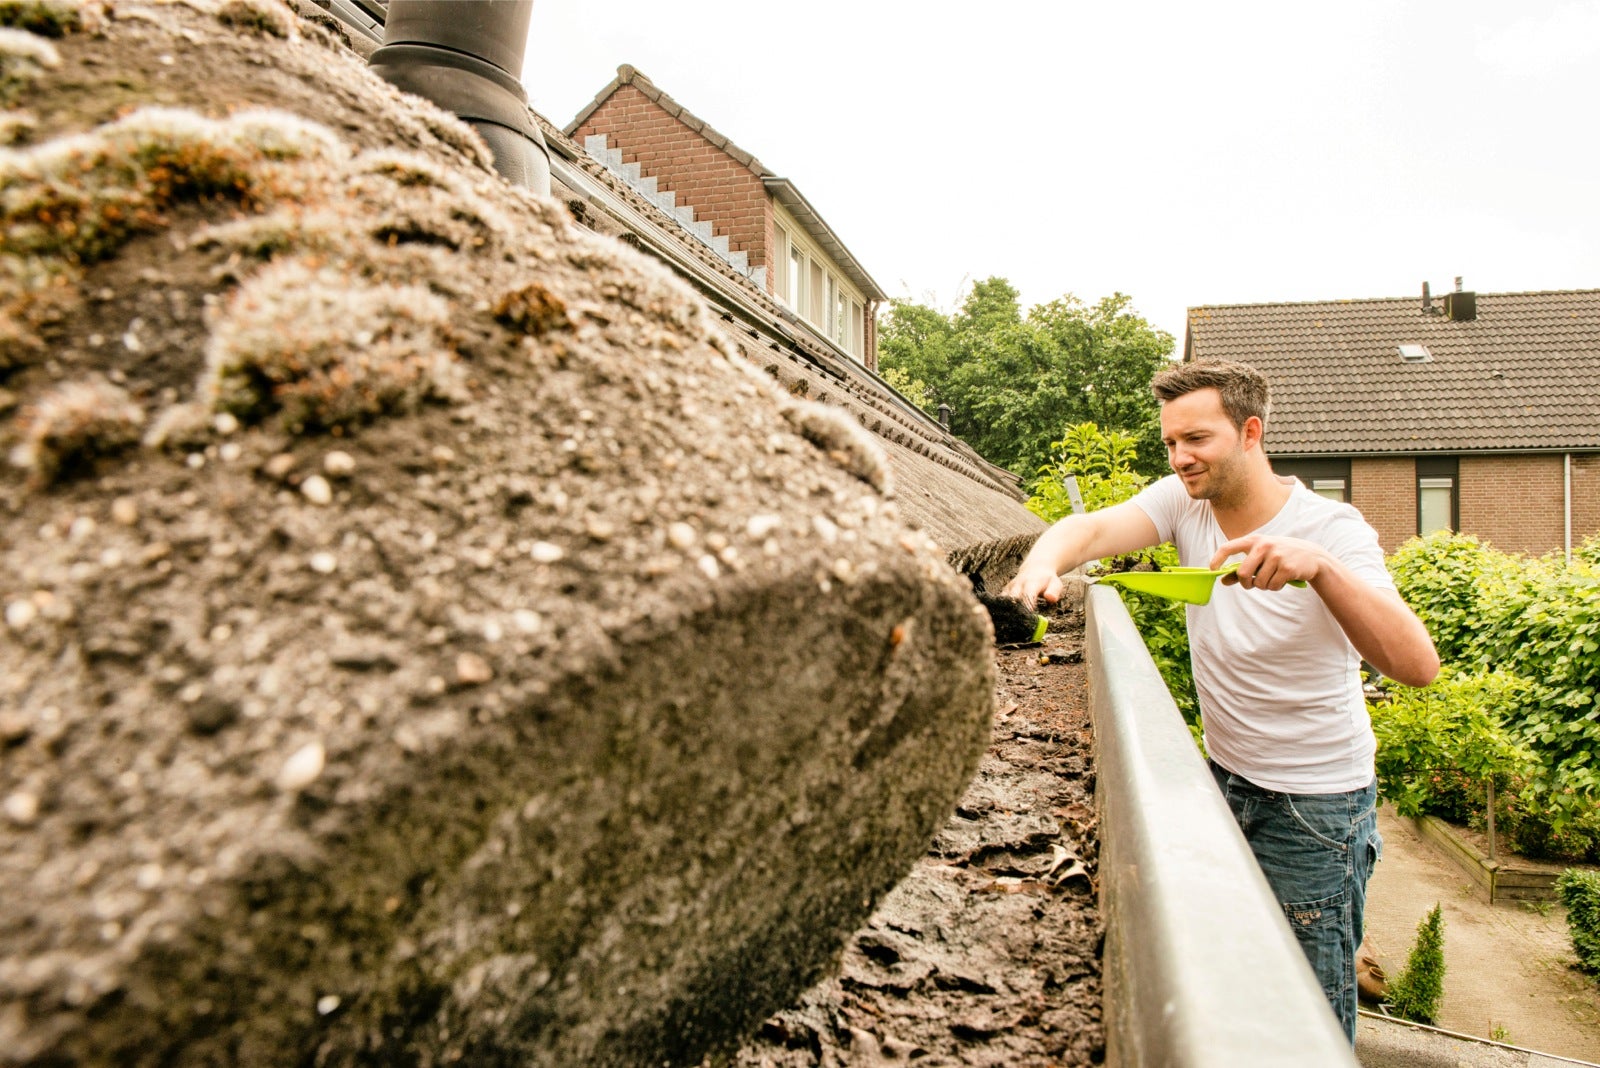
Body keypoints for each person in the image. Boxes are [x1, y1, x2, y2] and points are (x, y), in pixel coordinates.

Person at [1005, 359, 1439, 1043]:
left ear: (1250, 432)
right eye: (1171, 442)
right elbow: (1086, 532)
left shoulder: (1333, 529)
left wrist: (1321, 570)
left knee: (1306, 1020)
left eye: (1197, 439)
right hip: (1224, 782)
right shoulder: (1185, 502)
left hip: (1316, 809)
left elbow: (1417, 666)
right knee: (1236, 988)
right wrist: (1039, 565)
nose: (1180, 457)